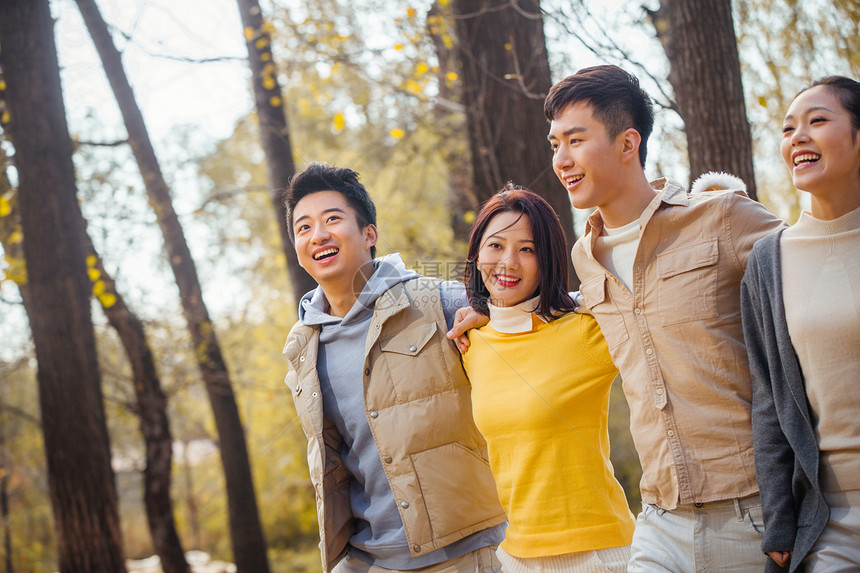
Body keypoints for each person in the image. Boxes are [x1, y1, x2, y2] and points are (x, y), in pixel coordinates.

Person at [449, 65, 786, 570]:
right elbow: (579, 312)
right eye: (555, 144)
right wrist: (494, 316)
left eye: (575, 140)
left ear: (628, 143)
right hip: (658, 519)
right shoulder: (587, 260)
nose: (561, 160)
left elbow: (815, 268)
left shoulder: (721, 219)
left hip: (750, 512)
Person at [281, 163, 506, 573]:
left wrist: (492, 315)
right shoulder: (302, 348)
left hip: (465, 555)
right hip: (366, 561)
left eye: (332, 219)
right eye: (304, 227)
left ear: (370, 234)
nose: (318, 235)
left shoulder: (436, 302)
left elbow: (541, 310)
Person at [460, 185, 634, 573]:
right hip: (516, 555)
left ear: (548, 260)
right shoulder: (473, 344)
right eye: (496, 246)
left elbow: (640, 299)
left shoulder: (587, 332)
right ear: (476, 256)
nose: (508, 262)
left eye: (528, 249)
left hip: (599, 554)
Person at [741, 75, 860, 572]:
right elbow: (769, 400)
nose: (798, 138)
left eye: (817, 120)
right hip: (827, 520)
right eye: (788, 129)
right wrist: (779, 521)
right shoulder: (769, 261)